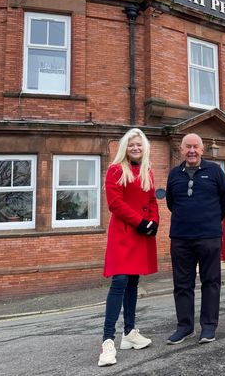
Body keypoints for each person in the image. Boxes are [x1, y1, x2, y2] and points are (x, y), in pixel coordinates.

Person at [98, 128, 159, 367]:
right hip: (124, 234)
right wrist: (142, 222)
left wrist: (154, 222)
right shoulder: (115, 170)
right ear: (125, 147)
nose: (135, 148)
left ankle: (130, 333)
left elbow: (152, 200)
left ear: (144, 148)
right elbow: (115, 204)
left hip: (142, 233)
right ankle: (107, 341)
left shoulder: (147, 171)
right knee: (120, 281)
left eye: (139, 144)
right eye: (132, 144)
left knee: (133, 282)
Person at [165, 133, 225, 345]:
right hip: (181, 237)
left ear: (202, 150)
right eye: (188, 147)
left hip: (209, 236)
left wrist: (211, 219)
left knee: (211, 282)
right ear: (181, 150)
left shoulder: (215, 171)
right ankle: (184, 327)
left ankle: (209, 327)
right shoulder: (174, 174)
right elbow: (170, 202)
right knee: (182, 284)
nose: (192, 151)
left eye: (195, 147)